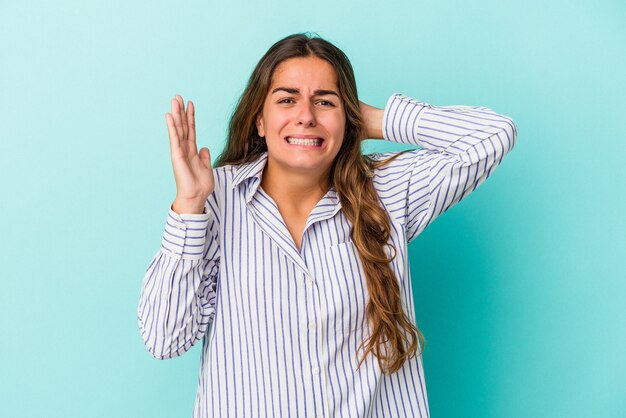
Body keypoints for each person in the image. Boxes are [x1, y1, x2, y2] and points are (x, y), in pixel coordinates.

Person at [137, 32, 518, 418]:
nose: (306, 115)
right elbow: (164, 338)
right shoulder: (213, 199)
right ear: (260, 121)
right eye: (287, 99)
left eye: (324, 101)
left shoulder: (386, 191)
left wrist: (371, 120)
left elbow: (492, 135)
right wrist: (188, 207)